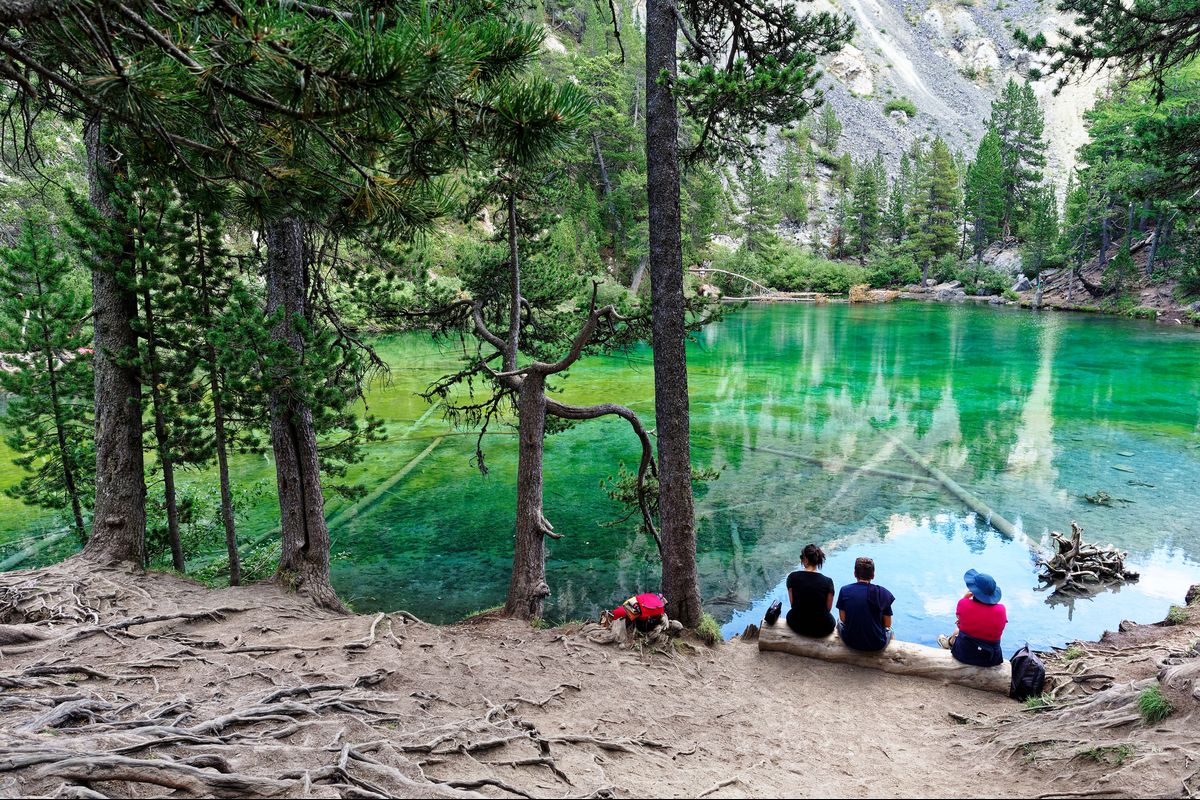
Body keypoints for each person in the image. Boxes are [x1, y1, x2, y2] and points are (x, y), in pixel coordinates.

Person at [937, 569, 1006, 667]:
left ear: (973, 591)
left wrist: (965, 598)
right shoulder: (1001, 609)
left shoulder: (963, 603)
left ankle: (948, 643)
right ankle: (949, 642)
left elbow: (959, 617)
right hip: (991, 659)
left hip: (964, 654)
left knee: (958, 629)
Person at [836, 557, 895, 651]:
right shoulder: (883, 593)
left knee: (839, 622)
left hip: (851, 642)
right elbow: (887, 624)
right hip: (877, 644)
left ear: (854, 574)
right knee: (890, 630)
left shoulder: (845, 590)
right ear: (873, 575)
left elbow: (843, 619)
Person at [785, 544, 836, 637]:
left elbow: (793, 604)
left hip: (797, 624)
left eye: (801, 557)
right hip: (823, 628)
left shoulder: (792, 577)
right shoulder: (828, 582)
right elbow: (828, 609)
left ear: (805, 560)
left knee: (791, 614)